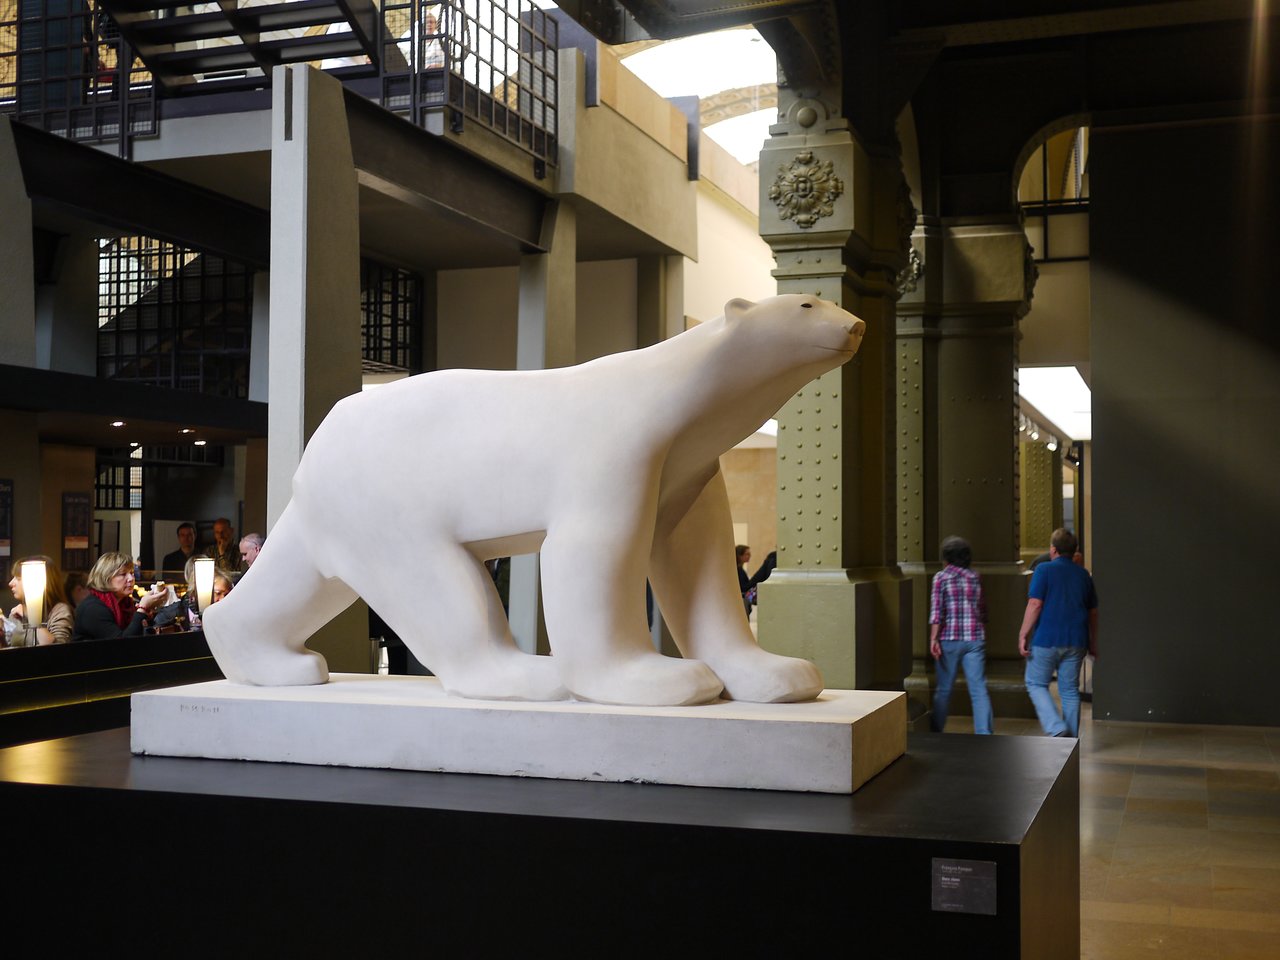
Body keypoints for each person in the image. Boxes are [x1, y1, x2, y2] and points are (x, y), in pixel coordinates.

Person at [1018, 527, 1098, 737]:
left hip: (1047, 638)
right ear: (1074, 552)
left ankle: (1055, 727)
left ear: (1053, 550)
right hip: (1077, 639)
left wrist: (1023, 633)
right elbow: (1093, 613)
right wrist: (1093, 642)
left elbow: (1035, 604)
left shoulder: (1043, 570)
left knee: (1035, 683)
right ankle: (1069, 743)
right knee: (1070, 691)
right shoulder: (1083, 576)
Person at [928, 536, 993, 735]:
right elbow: (982, 609)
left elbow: (937, 612)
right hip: (974, 638)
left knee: (944, 689)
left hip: (949, 639)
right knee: (978, 689)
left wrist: (933, 638)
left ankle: (936, 730)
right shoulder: (974, 577)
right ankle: (985, 733)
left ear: (946, 558)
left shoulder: (941, 578)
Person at [73, 552, 168, 641]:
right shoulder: (93, 608)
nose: (131, 579)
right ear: (105, 578)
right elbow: (121, 646)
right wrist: (142, 608)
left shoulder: (126, 603)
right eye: (123, 574)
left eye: (132, 573)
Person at [7, 555, 74, 644]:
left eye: (18, 578)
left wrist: (31, 617)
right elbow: (8, 647)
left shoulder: (59, 610)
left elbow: (58, 649)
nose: (11, 583)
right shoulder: (16, 613)